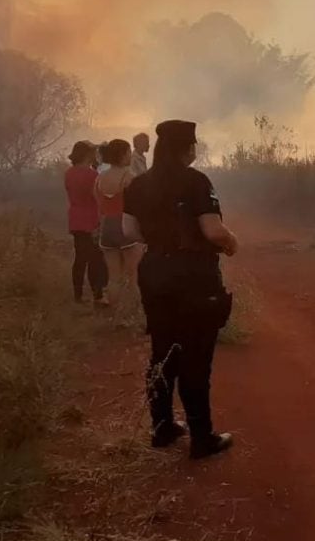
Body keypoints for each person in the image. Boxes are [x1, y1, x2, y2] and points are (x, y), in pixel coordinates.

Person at [123, 119, 238, 459]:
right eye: (194, 145)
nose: (195, 149)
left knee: (163, 350)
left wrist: (162, 244)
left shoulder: (139, 184)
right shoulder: (196, 181)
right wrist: (232, 242)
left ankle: (162, 429)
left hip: (154, 269)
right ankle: (202, 439)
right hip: (193, 275)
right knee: (196, 355)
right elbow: (213, 230)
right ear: (186, 148)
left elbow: (130, 231)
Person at [95, 138, 143, 301]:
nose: (131, 155)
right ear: (123, 155)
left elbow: (98, 202)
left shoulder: (100, 178)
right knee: (133, 276)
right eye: (129, 152)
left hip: (107, 226)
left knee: (114, 278)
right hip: (126, 226)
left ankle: (113, 314)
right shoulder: (129, 177)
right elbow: (138, 205)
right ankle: (130, 314)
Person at [65, 140, 109, 307]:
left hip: (75, 218)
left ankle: (78, 294)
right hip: (91, 219)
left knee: (80, 258)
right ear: (86, 155)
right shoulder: (92, 175)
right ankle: (98, 294)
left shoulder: (69, 173)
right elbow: (99, 198)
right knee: (96, 258)